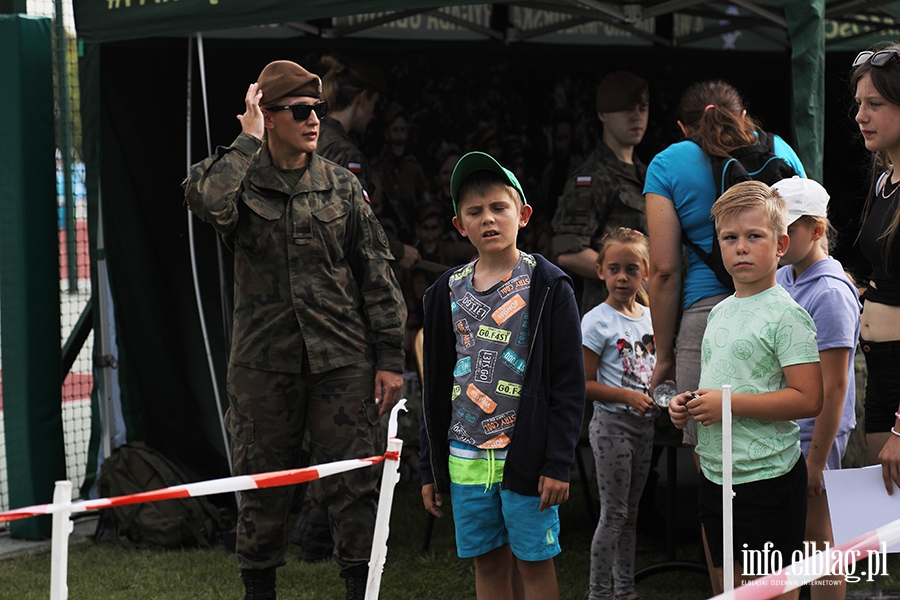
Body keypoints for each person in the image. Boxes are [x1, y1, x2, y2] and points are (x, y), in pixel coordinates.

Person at [182, 60, 407, 600]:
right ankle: (260, 590)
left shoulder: (340, 186)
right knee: (262, 488)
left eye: (319, 110)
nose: (314, 121)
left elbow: (376, 273)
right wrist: (246, 139)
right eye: (301, 111)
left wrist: (390, 357)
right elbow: (208, 202)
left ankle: (360, 588)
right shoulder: (237, 178)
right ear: (270, 116)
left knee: (353, 485)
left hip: (342, 362)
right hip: (264, 366)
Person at [419, 152, 585, 600]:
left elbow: (570, 386)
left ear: (523, 215)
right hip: (465, 456)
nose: (487, 219)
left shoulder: (550, 286)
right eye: (474, 212)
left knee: (534, 564)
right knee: (489, 565)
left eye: (499, 207)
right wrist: (430, 467)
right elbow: (433, 387)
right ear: (459, 225)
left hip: (528, 455)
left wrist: (558, 462)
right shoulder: (442, 293)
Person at [667, 181, 823, 597]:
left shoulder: (788, 315)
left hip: (767, 479)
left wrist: (729, 405)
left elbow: (809, 398)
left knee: (770, 591)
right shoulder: (718, 311)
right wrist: (688, 406)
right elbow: (717, 389)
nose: (741, 247)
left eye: (754, 236)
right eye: (729, 238)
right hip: (716, 478)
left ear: (780, 244)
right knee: (729, 589)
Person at [773, 176, 860, 599]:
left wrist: (817, 461)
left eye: (787, 230)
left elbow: (836, 382)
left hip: (815, 438)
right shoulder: (786, 277)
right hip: (787, 430)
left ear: (818, 229)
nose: (780, 240)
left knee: (820, 541)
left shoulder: (828, 291)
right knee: (793, 542)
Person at [580, 227, 655, 600]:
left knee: (631, 514)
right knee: (613, 515)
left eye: (631, 269)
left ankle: (625, 591)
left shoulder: (650, 317)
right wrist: (627, 396)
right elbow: (584, 385)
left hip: (645, 428)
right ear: (600, 271)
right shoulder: (596, 322)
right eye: (614, 269)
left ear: (646, 271)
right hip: (612, 427)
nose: (623, 277)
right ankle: (599, 593)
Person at [552, 70, 650, 314]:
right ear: (603, 114)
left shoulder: (649, 174)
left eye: (642, 108)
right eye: (627, 109)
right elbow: (569, 252)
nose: (636, 116)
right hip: (607, 317)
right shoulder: (591, 178)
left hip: (646, 313)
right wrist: (625, 273)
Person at [850, 45, 900, 496]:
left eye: (876, 105)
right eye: (860, 104)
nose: (861, 115)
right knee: (886, 514)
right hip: (879, 366)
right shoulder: (885, 180)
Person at [317, 54, 420, 272]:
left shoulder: (308, 137)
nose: (373, 115)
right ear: (362, 99)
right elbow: (355, 224)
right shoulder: (348, 155)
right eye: (374, 103)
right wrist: (398, 251)